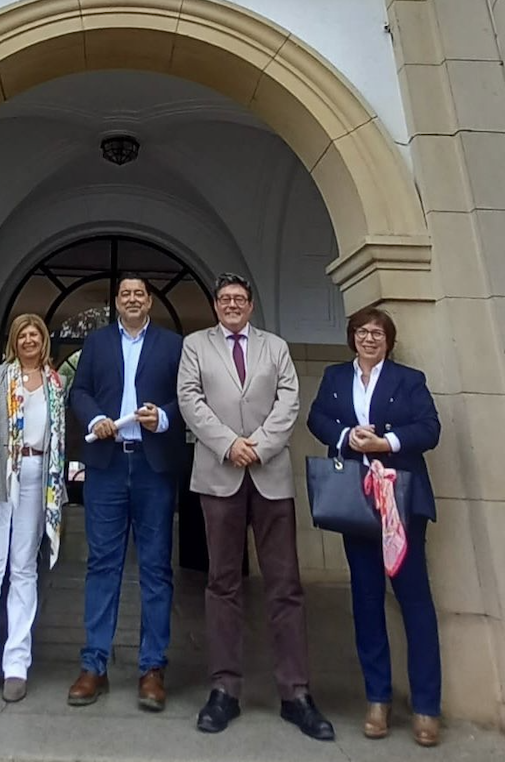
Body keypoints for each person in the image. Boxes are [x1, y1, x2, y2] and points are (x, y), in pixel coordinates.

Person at [177, 272, 334, 740]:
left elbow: (290, 400)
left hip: (269, 476)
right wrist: (229, 444)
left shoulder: (275, 347)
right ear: (215, 305)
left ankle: (296, 693)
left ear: (251, 304)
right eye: (224, 298)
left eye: (239, 298)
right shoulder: (195, 346)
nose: (232, 304)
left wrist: (259, 446)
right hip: (218, 473)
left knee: (285, 585)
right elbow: (190, 399)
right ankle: (224, 689)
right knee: (222, 582)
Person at [307, 306, 442, 747]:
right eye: (363, 332)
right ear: (352, 337)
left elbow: (429, 428)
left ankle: (425, 706)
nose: (369, 339)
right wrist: (347, 436)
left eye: (378, 333)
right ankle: (377, 699)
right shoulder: (334, 377)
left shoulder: (409, 379)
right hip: (355, 501)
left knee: (414, 600)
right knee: (366, 599)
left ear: (389, 339)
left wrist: (387, 442)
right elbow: (317, 419)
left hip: (400, 500)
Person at [66, 274, 184, 712]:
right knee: (102, 566)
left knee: (155, 569)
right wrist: (94, 415)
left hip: (153, 465)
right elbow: (79, 390)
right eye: (125, 294)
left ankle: (152, 668)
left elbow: (188, 396)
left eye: (139, 294)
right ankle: (94, 664)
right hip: (107, 466)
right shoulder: (96, 343)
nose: (132, 300)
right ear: (116, 302)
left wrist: (165, 418)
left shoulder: (173, 345)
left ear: (149, 301)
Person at [0, 314, 67, 703]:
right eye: (22, 335)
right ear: (14, 341)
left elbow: (60, 437)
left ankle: (16, 664)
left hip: (40, 478)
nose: (28, 340)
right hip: (0, 475)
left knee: (23, 569)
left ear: (43, 341)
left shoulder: (56, 382)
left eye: (34, 334)